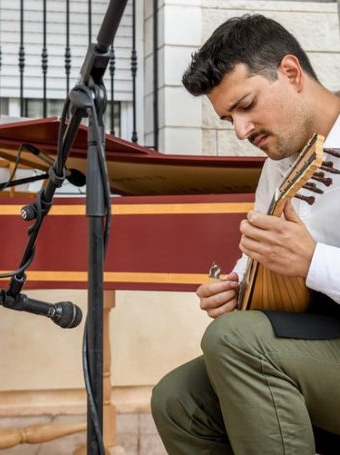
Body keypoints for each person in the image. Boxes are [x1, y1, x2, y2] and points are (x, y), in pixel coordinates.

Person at [151, 14, 340, 455]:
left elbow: (301, 257)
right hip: (319, 333)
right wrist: (235, 288)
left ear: (290, 73)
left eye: (247, 105)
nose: (241, 131)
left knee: (234, 341)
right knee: (177, 401)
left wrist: (313, 261)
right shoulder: (279, 161)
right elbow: (260, 254)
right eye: (228, 119)